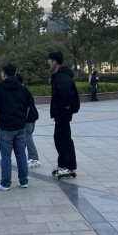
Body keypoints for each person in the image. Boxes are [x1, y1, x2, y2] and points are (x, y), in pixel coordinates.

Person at [0, 64, 32, 191]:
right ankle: (24, 181)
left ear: (3, 74)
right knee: (21, 155)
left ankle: (5, 183)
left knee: (6, 156)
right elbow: (28, 106)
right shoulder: (23, 89)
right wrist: (23, 119)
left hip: (5, 127)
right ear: (15, 73)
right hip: (20, 126)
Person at [48, 51, 80, 179]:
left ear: (54, 62)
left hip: (63, 112)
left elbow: (66, 91)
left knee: (64, 138)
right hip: (61, 112)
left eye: (50, 61)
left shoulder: (61, 76)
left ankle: (69, 166)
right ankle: (62, 164)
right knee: (59, 137)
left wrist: (66, 105)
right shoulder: (61, 74)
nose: (49, 64)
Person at [19, 74, 41, 169]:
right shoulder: (25, 89)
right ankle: (30, 157)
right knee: (28, 136)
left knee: (27, 136)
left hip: (28, 118)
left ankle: (33, 157)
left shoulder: (21, 90)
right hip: (33, 116)